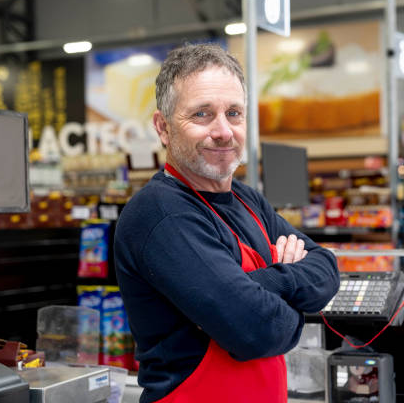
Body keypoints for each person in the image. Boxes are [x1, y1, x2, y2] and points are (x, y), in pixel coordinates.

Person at [114, 43, 340, 403]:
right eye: (202, 114)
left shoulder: (248, 200)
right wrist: (294, 301)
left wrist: (256, 284)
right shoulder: (160, 212)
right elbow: (259, 330)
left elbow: (327, 269)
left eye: (234, 113)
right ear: (163, 127)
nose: (223, 131)